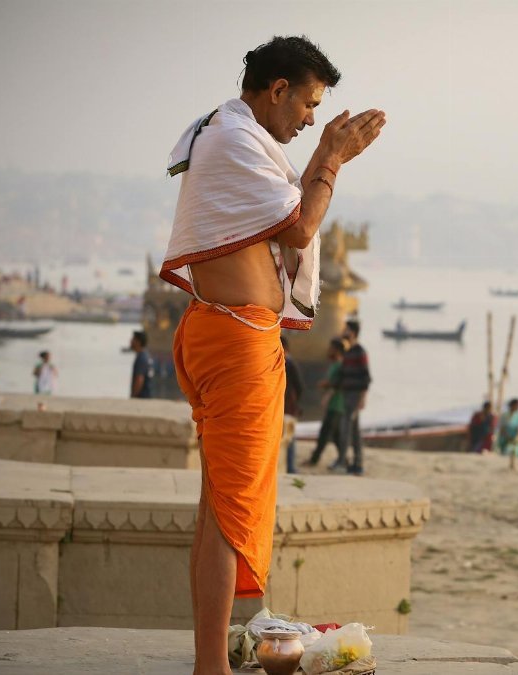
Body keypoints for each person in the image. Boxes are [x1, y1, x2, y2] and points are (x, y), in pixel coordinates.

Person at [158, 36, 386, 675]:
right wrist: (332, 157)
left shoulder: (228, 135)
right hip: (234, 341)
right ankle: (212, 667)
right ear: (277, 89)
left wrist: (323, 151)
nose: (311, 118)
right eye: (308, 103)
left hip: (227, 334)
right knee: (229, 513)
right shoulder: (232, 139)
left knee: (218, 506)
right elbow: (301, 227)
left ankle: (212, 659)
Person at [334, 320, 372, 474]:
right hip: (347, 394)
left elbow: (366, 376)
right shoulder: (348, 352)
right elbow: (342, 376)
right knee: (354, 431)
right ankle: (357, 464)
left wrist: (363, 398)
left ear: (353, 332)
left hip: (355, 396)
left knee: (346, 429)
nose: (344, 331)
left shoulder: (360, 352)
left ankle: (344, 462)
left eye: (346, 329)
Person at [305, 338, 345, 468]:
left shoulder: (340, 365)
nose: (328, 350)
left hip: (337, 404)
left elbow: (337, 384)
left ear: (337, 350)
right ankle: (343, 459)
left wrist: (326, 390)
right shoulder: (335, 364)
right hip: (333, 404)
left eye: (331, 348)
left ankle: (314, 459)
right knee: (335, 434)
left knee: (325, 432)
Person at [281, 336, 304, 474]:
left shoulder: (290, 364)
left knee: (289, 437)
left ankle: (290, 467)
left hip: (288, 406)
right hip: (281, 405)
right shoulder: (283, 363)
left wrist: (294, 402)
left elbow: (300, 387)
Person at [130, 331, 154, 399]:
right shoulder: (146, 355)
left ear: (138, 342)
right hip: (147, 397)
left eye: (133, 339)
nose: (130, 341)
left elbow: (139, 379)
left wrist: (133, 396)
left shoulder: (141, 358)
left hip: (141, 399)